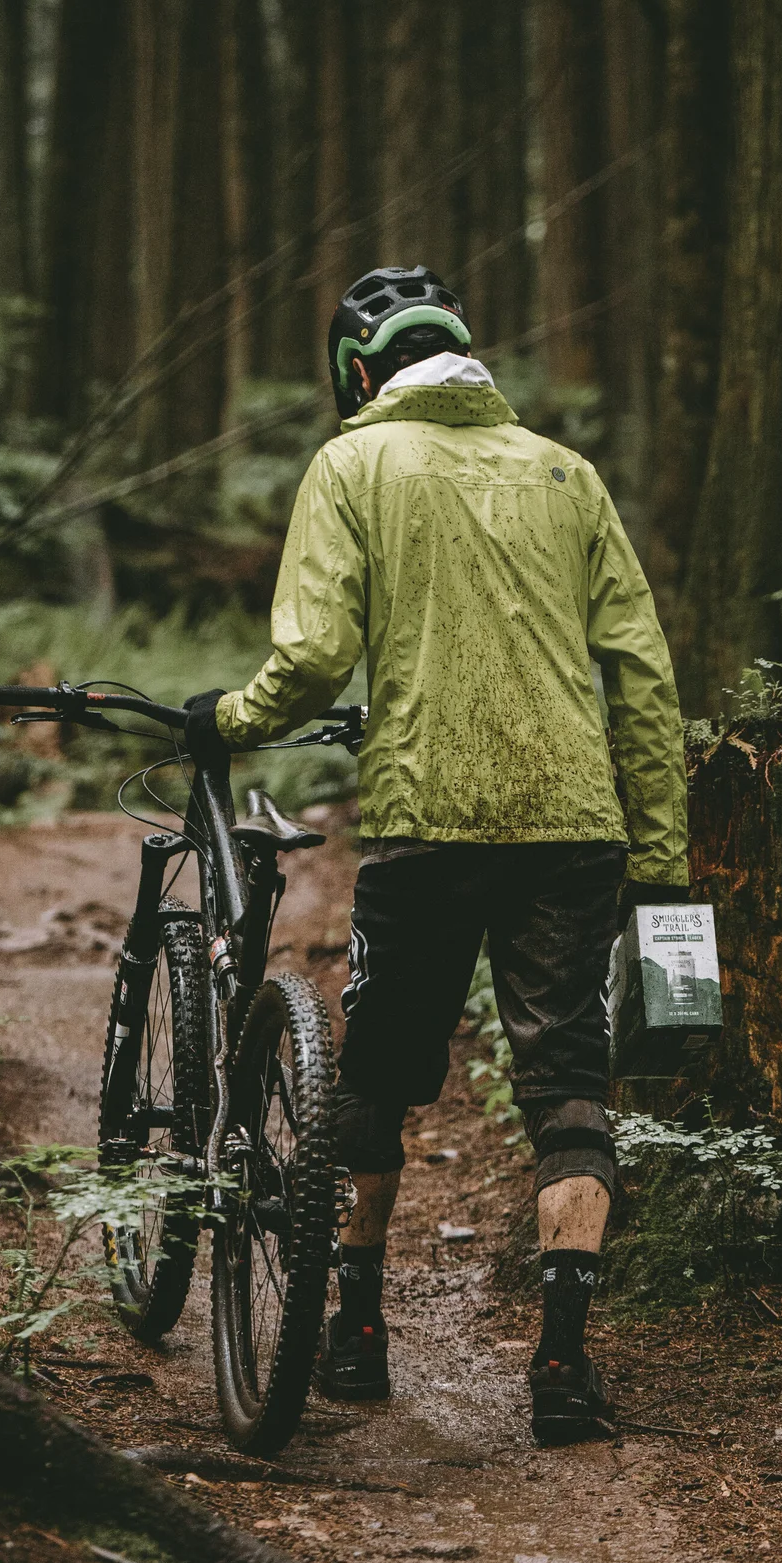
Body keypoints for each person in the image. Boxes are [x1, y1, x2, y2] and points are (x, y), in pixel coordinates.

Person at [182, 265, 688, 1444]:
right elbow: (644, 676)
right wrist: (657, 857)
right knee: (568, 1080)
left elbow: (311, 658)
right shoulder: (568, 475)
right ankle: (563, 1363)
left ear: (360, 373)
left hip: (427, 819)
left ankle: (355, 1331)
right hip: (573, 829)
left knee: (378, 1078)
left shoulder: (354, 465)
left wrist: (232, 720)